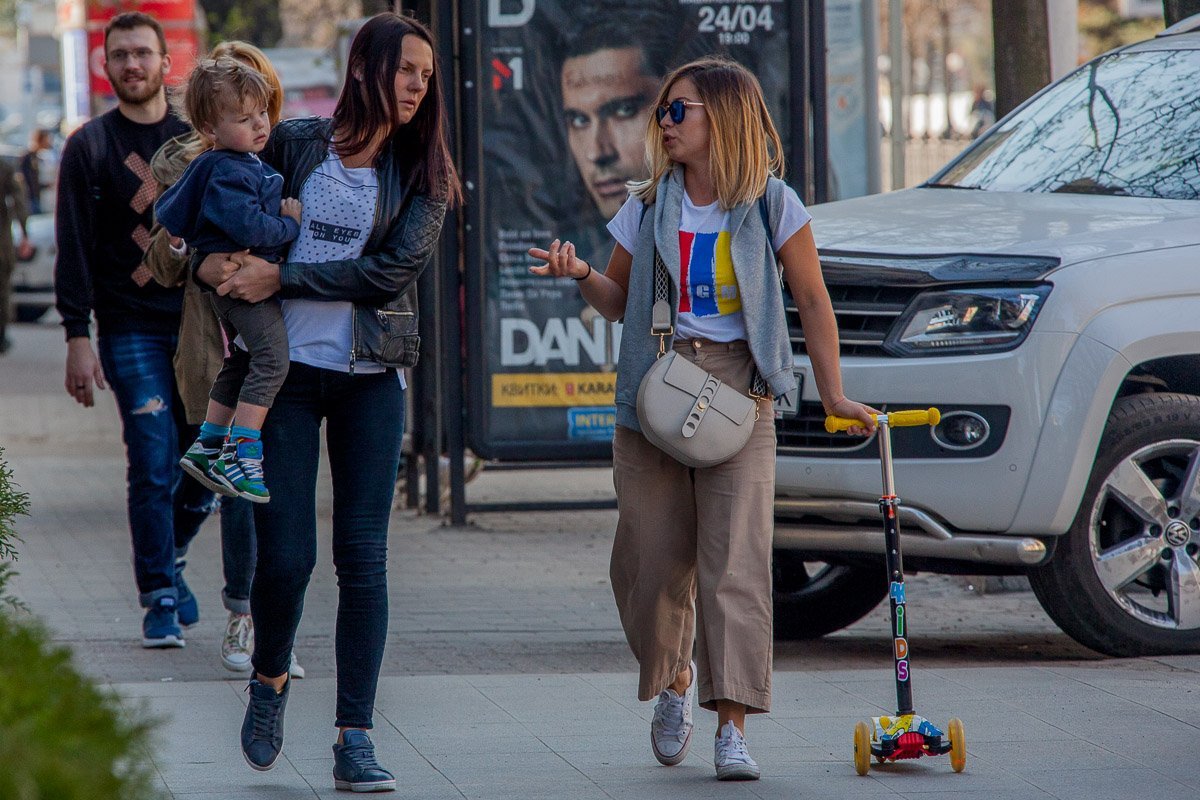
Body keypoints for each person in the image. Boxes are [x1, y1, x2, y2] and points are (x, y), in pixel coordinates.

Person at [529, 57, 875, 780]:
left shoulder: (774, 205)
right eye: (663, 111)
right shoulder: (650, 202)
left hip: (740, 393)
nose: (665, 123)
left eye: (677, 110)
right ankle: (677, 681)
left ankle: (733, 726)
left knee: (736, 567)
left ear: (724, 116)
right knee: (647, 566)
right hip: (655, 388)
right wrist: (580, 274)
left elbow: (813, 302)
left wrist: (835, 394)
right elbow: (617, 299)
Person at [195, 12, 459, 791]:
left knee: (363, 560)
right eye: (405, 67)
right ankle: (270, 679)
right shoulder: (299, 142)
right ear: (366, 67)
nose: (417, 84)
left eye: (426, 73)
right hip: (284, 380)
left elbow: (388, 273)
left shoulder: (425, 173)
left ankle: (354, 737)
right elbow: (227, 207)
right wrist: (222, 272)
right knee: (286, 559)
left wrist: (286, 278)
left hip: (370, 379)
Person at [141, 40, 302, 677]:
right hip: (217, 340)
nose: (258, 120)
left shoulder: (286, 150)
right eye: (244, 108)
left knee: (272, 490)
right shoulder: (196, 161)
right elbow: (161, 256)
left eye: (263, 104)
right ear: (216, 117)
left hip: (287, 339)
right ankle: (242, 614)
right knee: (238, 491)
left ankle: (272, 628)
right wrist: (204, 260)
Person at [54, 11, 214, 649]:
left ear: (164, 62)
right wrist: (75, 334)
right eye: (119, 55)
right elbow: (75, 250)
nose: (132, 65)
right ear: (105, 64)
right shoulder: (88, 146)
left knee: (206, 465)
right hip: (128, 330)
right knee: (151, 461)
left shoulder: (197, 142)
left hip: (199, 329)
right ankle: (159, 598)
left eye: (142, 53)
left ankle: (170, 557)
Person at [156, 56, 301, 504]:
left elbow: (173, 214)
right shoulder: (231, 168)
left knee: (239, 359)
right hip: (244, 286)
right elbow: (249, 228)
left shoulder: (226, 163)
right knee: (273, 359)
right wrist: (289, 226)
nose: (260, 125)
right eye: (244, 118)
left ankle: (209, 444)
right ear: (210, 128)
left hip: (228, 286)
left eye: (263, 113)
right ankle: (241, 453)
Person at [0, 158, 31, 355]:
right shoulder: (4, 168)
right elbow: (19, 200)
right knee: (2, 289)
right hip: (2, 244)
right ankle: (1, 336)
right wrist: (25, 232)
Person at [18, 129, 53, 214]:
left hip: (38, 196)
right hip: (32, 197)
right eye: (47, 139)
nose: (49, 142)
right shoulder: (29, 157)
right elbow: (28, 179)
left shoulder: (38, 157)